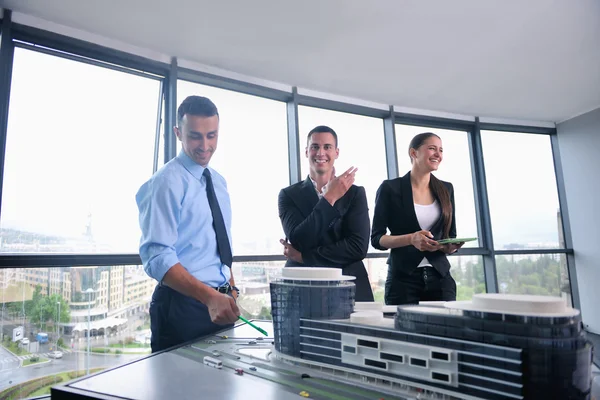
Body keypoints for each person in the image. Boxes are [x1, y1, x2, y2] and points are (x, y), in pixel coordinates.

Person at [136, 95, 240, 353]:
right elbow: (157, 256)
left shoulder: (219, 183)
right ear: (178, 133)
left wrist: (230, 289)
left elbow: (219, 248)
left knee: (220, 388)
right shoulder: (166, 182)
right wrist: (209, 297)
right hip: (181, 307)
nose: (205, 145)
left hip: (220, 303)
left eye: (212, 135)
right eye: (195, 136)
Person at [278, 125, 374, 301]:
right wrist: (329, 198)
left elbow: (357, 247)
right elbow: (299, 239)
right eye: (315, 147)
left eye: (327, 147)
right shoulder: (288, 195)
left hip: (350, 285)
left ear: (336, 152)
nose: (320, 153)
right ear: (307, 152)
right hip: (304, 288)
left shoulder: (355, 193)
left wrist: (304, 256)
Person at [371, 132, 464, 305]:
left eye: (441, 150)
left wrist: (450, 247)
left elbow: (450, 234)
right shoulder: (390, 189)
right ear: (413, 153)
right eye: (432, 148)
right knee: (404, 332)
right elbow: (377, 239)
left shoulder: (446, 189)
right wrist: (410, 239)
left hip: (441, 278)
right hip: (403, 280)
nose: (438, 154)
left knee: (445, 331)